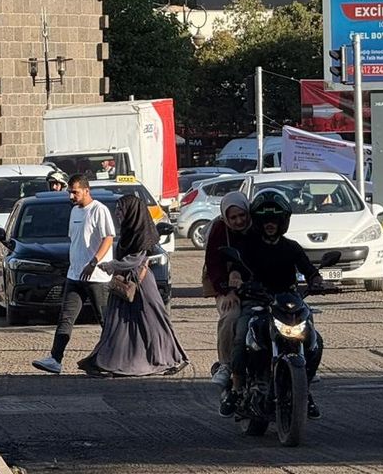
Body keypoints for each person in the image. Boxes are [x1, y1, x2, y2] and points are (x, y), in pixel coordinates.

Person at [229, 190, 325, 419]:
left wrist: (317, 280)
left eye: (275, 219)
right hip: (256, 302)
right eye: (265, 220)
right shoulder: (247, 246)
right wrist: (236, 280)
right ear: (258, 222)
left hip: (288, 303)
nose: (270, 224)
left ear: (283, 221)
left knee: (315, 340)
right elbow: (236, 269)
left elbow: (310, 271)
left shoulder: (292, 247)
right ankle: (237, 389)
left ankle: (305, 390)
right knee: (241, 336)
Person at [76, 194, 188, 377]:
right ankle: (111, 360)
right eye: (117, 209)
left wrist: (111, 265)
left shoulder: (141, 234)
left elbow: (135, 259)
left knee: (154, 322)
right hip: (124, 283)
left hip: (141, 284)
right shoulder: (128, 232)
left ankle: (173, 358)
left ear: (132, 212)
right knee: (118, 324)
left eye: (121, 210)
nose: (117, 213)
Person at [33, 174, 115, 374]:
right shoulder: (74, 211)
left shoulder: (99, 210)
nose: (71, 196)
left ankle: (115, 358)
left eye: (75, 192)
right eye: (70, 192)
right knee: (66, 318)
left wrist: (94, 262)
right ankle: (55, 359)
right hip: (75, 275)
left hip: (97, 277)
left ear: (86, 190)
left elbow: (108, 238)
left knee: (105, 319)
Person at [204, 192, 251, 409]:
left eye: (242, 215)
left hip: (256, 286)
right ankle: (225, 365)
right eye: (233, 217)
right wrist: (227, 291)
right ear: (225, 218)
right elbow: (213, 264)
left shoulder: (258, 228)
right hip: (225, 285)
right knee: (231, 316)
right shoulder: (219, 230)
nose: (239, 221)